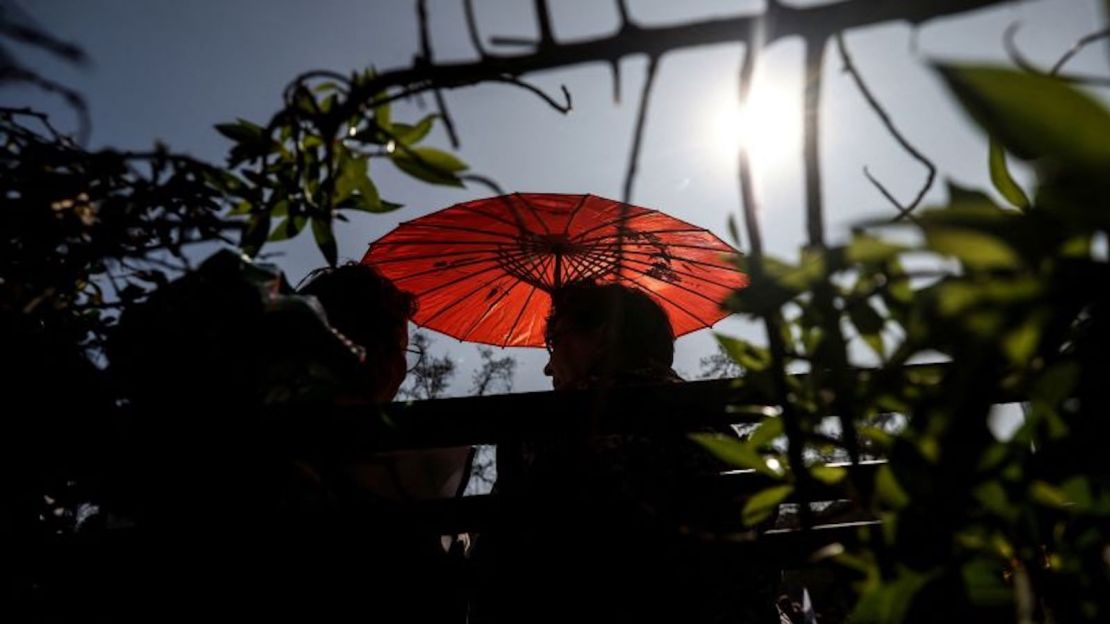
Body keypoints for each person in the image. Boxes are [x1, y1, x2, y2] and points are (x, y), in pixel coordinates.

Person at [472, 279, 778, 624]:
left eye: (555, 341)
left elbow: (494, 568)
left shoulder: (543, 431)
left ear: (603, 337)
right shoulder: (714, 426)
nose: (547, 366)